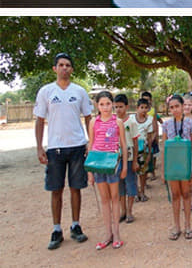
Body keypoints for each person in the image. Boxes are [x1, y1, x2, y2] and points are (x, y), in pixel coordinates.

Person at [34, 53, 93, 250]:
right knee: (56, 189)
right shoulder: (46, 91)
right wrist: (39, 146)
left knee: (76, 188)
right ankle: (56, 229)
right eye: (61, 65)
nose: (64, 68)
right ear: (55, 68)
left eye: (68, 65)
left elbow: (88, 117)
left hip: (77, 146)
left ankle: (76, 225)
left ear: (72, 69)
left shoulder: (80, 92)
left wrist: (90, 142)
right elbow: (39, 120)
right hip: (55, 149)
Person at [87, 91, 127, 250]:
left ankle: (117, 233)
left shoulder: (118, 122)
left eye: (108, 104)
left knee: (115, 197)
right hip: (97, 165)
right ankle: (107, 234)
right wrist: (89, 171)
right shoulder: (93, 122)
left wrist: (124, 166)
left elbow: (123, 145)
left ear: (112, 104)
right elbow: (91, 145)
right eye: (102, 104)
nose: (105, 107)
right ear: (97, 105)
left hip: (113, 165)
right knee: (104, 199)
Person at [159, 95, 192, 240]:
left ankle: (188, 226)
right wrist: (163, 171)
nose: (175, 110)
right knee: (175, 195)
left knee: (186, 194)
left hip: (186, 165)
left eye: (177, 106)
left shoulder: (190, 124)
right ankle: (177, 227)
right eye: (172, 107)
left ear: (183, 106)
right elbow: (164, 149)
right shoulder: (166, 125)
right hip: (172, 166)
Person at [113, 95, 138, 223]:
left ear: (126, 107)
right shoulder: (113, 122)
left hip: (129, 158)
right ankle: (122, 211)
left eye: (121, 107)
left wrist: (135, 161)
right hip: (116, 159)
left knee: (130, 184)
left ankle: (129, 211)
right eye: (116, 107)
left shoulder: (131, 122)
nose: (118, 110)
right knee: (119, 187)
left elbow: (135, 141)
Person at [130, 97, 156, 202]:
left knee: (143, 172)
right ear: (137, 108)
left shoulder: (149, 120)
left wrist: (150, 152)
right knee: (133, 172)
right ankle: (135, 193)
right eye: (142, 107)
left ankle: (142, 192)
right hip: (132, 148)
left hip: (143, 149)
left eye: (146, 108)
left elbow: (149, 137)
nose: (144, 110)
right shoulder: (131, 119)